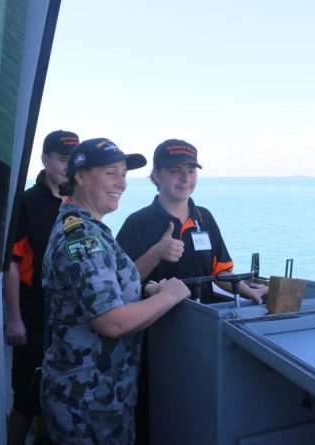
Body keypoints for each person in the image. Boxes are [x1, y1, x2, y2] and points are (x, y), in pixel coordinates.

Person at [40, 138, 191, 444]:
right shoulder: (80, 236)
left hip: (104, 396)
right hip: (87, 404)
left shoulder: (88, 227)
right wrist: (169, 295)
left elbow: (110, 285)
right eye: (111, 173)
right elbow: (112, 321)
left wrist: (150, 275)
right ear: (80, 177)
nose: (121, 183)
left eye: (123, 174)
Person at [116, 139, 268, 442]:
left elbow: (220, 272)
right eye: (175, 171)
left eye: (191, 170)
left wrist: (248, 290)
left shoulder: (205, 218)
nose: (185, 178)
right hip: (157, 334)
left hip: (203, 330)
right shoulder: (138, 224)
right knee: (157, 403)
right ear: (156, 176)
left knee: (200, 402)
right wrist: (157, 253)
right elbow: (121, 284)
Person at [4, 130, 79, 445]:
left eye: (74, 161)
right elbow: (11, 263)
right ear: (45, 159)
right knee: (26, 396)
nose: (68, 167)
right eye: (63, 160)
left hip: (71, 317)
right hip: (34, 314)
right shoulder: (27, 202)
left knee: (60, 394)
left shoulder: (78, 203)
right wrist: (14, 318)